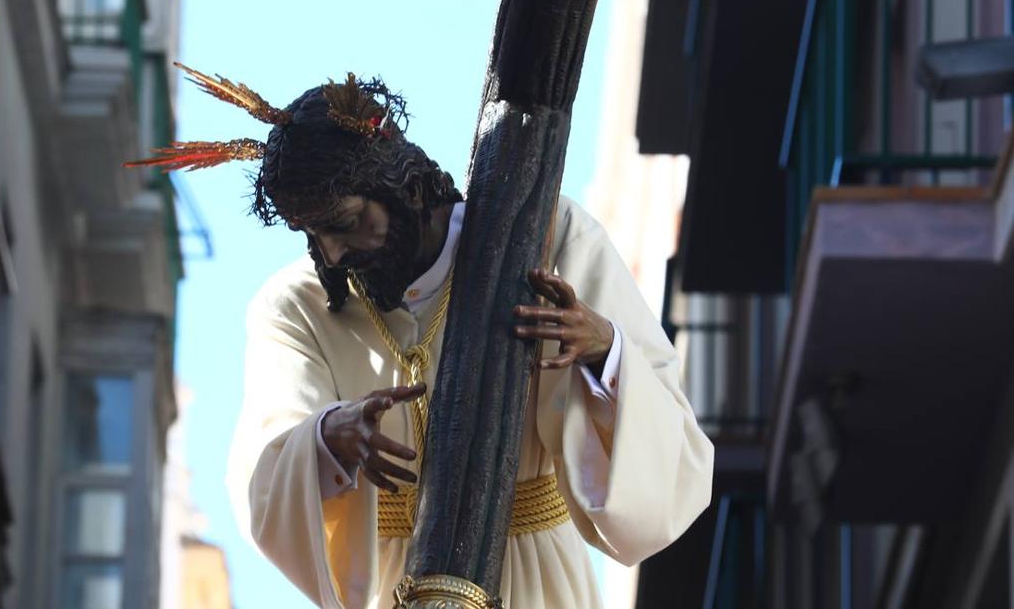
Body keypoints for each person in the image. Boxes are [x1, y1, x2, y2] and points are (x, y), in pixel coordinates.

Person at [129, 69, 714, 608]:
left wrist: (603, 351)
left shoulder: (549, 238)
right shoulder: (297, 307)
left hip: (538, 584)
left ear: (405, 190)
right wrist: (327, 438)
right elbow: (264, 468)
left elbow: (675, 449)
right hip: (396, 588)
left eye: (346, 223)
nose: (332, 253)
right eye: (312, 234)